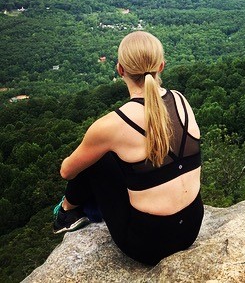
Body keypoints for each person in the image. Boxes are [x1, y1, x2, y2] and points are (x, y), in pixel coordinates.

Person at [53, 31, 204, 265]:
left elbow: (67, 172)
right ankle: (73, 211)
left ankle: (65, 213)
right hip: (191, 228)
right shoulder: (181, 101)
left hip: (147, 245)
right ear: (161, 66)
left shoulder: (112, 125)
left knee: (99, 160)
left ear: (120, 69)